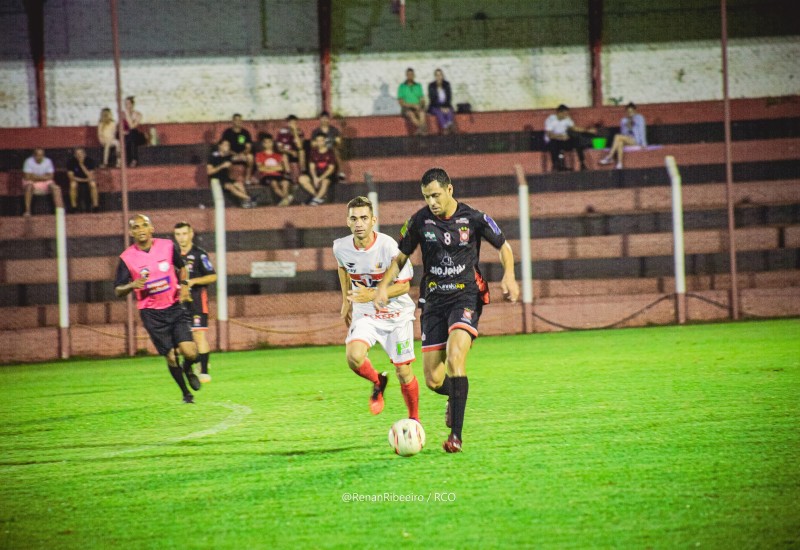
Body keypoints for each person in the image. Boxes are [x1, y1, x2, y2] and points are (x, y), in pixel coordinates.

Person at [374, 168, 519, 453]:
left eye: (436, 195)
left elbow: (505, 248)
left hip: (465, 297)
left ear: (449, 190)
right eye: (427, 196)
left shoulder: (474, 218)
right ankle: (455, 395)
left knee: (455, 358)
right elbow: (400, 257)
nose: (432, 202)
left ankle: (456, 437)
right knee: (433, 379)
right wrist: (383, 286)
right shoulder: (419, 220)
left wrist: (510, 276)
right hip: (434, 302)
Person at [333, 196, 420, 421]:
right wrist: (345, 300)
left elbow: (404, 286)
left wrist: (370, 294)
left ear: (374, 220)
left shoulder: (389, 246)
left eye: (364, 218)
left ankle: (414, 420)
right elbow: (342, 267)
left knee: (403, 371)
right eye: (354, 219)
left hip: (397, 314)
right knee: (353, 357)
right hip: (367, 312)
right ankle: (377, 381)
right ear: (347, 222)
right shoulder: (340, 247)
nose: (359, 223)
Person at [114, 214, 200, 404]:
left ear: (151, 228)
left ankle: (188, 368)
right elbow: (118, 290)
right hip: (152, 313)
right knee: (170, 356)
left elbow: (182, 267)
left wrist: (184, 286)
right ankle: (186, 393)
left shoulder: (167, 246)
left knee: (191, 352)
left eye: (144, 225)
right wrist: (131, 285)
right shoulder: (127, 258)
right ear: (131, 232)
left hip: (174, 306)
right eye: (135, 227)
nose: (140, 229)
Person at [173, 221, 217, 384]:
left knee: (199, 334)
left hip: (197, 301)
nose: (181, 238)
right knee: (180, 341)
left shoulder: (200, 254)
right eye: (178, 234)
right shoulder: (172, 255)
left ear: (191, 234)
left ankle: (204, 371)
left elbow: (212, 276)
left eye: (184, 234)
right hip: (177, 303)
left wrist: (193, 282)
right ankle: (192, 363)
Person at [544, 104, 595, 171]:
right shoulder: (550, 119)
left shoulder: (567, 118)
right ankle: (555, 165)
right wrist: (560, 137)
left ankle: (582, 163)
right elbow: (549, 135)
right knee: (553, 144)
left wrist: (587, 130)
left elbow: (574, 128)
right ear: (559, 113)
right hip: (553, 140)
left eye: (567, 114)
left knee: (577, 140)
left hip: (564, 140)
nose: (566, 115)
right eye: (565, 114)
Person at [599, 102, 648, 169]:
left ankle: (610, 157)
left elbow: (642, 130)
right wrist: (627, 126)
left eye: (631, 111)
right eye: (628, 111)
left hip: (636, 140)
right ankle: (619, 164)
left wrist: (644, 143)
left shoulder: (639, 118)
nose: (630, 113)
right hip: (627, 139)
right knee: (619, 142)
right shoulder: (623, 120)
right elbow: (623, 133)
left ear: (635, 111)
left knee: (617, 136)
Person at [207, 140, 254, 208]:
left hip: (226, 178)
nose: (227, 147)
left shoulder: (228, 156)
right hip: (215, 180)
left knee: (239, 184)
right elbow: (209, 172)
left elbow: (240, 157)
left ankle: (245, 201)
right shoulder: (213, 156)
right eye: (225, 145)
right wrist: (221, 166)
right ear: (220, 146)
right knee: (230, 187)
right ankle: (249, 198)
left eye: (228, 145)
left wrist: (246, 154)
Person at [255, 133, 293, 206]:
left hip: (278, 174)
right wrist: (274, 168)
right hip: (266, 176)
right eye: (266, 142)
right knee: (274, 183)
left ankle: (285, 200)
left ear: (272, 143)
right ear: (263, 144)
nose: (268, 144)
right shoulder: (259, 155)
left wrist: (267, 168)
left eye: (270, 142)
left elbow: (281, 168)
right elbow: (260, 168)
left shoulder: (278, 155)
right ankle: (287, 198)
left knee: (285, 183)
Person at [22, 148, 62, 216]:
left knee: (56, 188)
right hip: (32, 182)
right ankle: (27, 211)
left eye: (42, 155)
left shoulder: (48, 161)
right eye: (38, 155)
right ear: (34, 155)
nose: (40, 157)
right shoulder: (28, 161)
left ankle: (60, 211)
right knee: (29, 187)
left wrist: (35, 176)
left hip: (45, 182)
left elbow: (51, 176)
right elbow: (27, 177)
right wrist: (43, 177)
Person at [298, 133, 335, 206]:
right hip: (316, 174)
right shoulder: (313, 152)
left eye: (321, 140)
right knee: (302, 178)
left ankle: (314, 201)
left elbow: (331, 169)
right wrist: (315, 177)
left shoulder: (330, 152)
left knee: (325, 182)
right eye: (318, 141)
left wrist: (320, 179)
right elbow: (312, 167)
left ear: (325, 141)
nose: (320, 142)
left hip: (326, 175)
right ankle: (318, 197)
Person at [311, 111, 345, 181]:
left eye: (326, 118)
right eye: (322, 118)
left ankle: (341, 172)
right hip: (320, 150)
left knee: (336, 151)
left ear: (329, 119)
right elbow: (312, 144)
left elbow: (338, 141)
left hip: (331, 150)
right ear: (320, 119)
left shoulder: (334, 130)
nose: (324, 120)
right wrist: (322, 143)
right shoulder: (316, 131)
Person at [220, 114, 254, 184]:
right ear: (233, 121)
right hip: (231, 154)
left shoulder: (245, 133)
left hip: (242, 155)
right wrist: (232, 153)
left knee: (250, 157)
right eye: (236, 120)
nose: (238, 122)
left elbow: (248, 147)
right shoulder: (227, 132)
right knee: (224, 154)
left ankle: (247, 178)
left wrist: (242, 154)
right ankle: (228, 179)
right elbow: (224, 146)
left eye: (239, 120)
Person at [66, 147, 99, 213]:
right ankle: (74, 207)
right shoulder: (71, 162)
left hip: (88, 180)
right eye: (77, 154)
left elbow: (91, 176)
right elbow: (71, 177)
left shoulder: (90, 161)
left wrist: (81, 165)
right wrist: (85, 180)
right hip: (78, 180)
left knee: (93, 184)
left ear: (84, 154)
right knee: (73, 185)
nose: (79, 155)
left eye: (81, 153)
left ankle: (95, 206)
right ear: (75, 155)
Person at [397, 67, 427, 135]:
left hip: (417, 106)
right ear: (406, 75)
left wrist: (421, 105)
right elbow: (401, 103)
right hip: (406, 107)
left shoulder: (418, 86)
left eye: (411, 74)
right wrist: (412, 105)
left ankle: (420, 130)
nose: (410, 76)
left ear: (414, 75)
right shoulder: (402, 87)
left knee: (422, 112)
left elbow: (422, 99)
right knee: (411, 114)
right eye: (408, 74)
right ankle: (423, 128)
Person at [276, 114, 306, 181]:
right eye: (291, 123)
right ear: (288, 123)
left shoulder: (300, 132)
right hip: (287, 152)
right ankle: (288, 173)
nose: (293, 124)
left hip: (297, 153)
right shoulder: (282, 132)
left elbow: (300, 146)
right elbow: (279, 148)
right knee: (284, 155)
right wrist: (290, 152)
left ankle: (302, 172)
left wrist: (295, 132)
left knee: (302, 151)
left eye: (295, 123)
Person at [427, 68, 455, 134]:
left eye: (440, 75)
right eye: (437, 75)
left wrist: (446, 107)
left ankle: (449, 125)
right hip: (435, 106)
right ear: (435, 76)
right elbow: (432, 100)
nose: (438, 77)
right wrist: (441, 107)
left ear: (442, 76)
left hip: (446, 104)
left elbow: (449, 97)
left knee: (449, 110)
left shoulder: (447, 84)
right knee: (439, 112)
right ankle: (445, 127)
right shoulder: (431, 86)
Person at [122, 96, 144, 167]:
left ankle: (133, 160)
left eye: (128, 103)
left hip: (136, 135)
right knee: (129, 137)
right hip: (125, 134)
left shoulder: (138, 114)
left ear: (132, 104)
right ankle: (132, 160)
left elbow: (132, 126)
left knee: (132, 134)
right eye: (125, 104)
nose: (126, 106)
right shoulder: (122, 114)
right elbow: (120, 127)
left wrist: (128, 115)